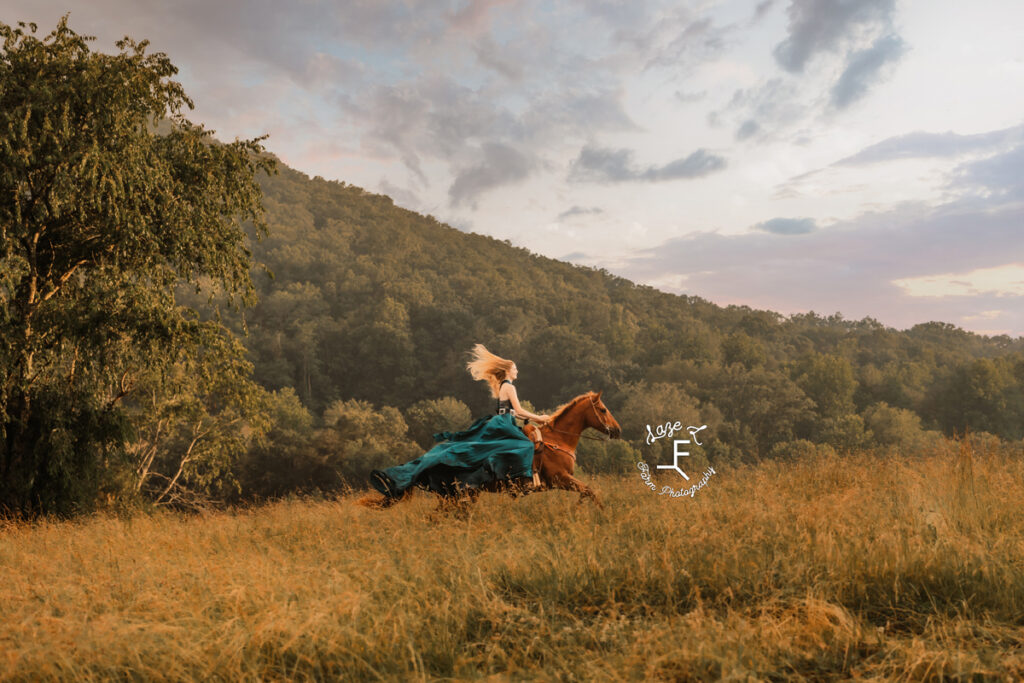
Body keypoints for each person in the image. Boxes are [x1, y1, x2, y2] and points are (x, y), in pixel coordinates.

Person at [369, 344, 550, 499]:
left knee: (505, 447)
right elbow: (518, 410)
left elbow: (515, 413)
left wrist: (529, 418)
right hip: (504, 422)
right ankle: (524, 482)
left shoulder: (505, 386)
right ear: (508, 371)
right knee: (525, 445)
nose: (517, 371)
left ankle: (511, 481)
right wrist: (539, 418)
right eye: (515, 368)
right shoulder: (509, 386)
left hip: (503, 420)